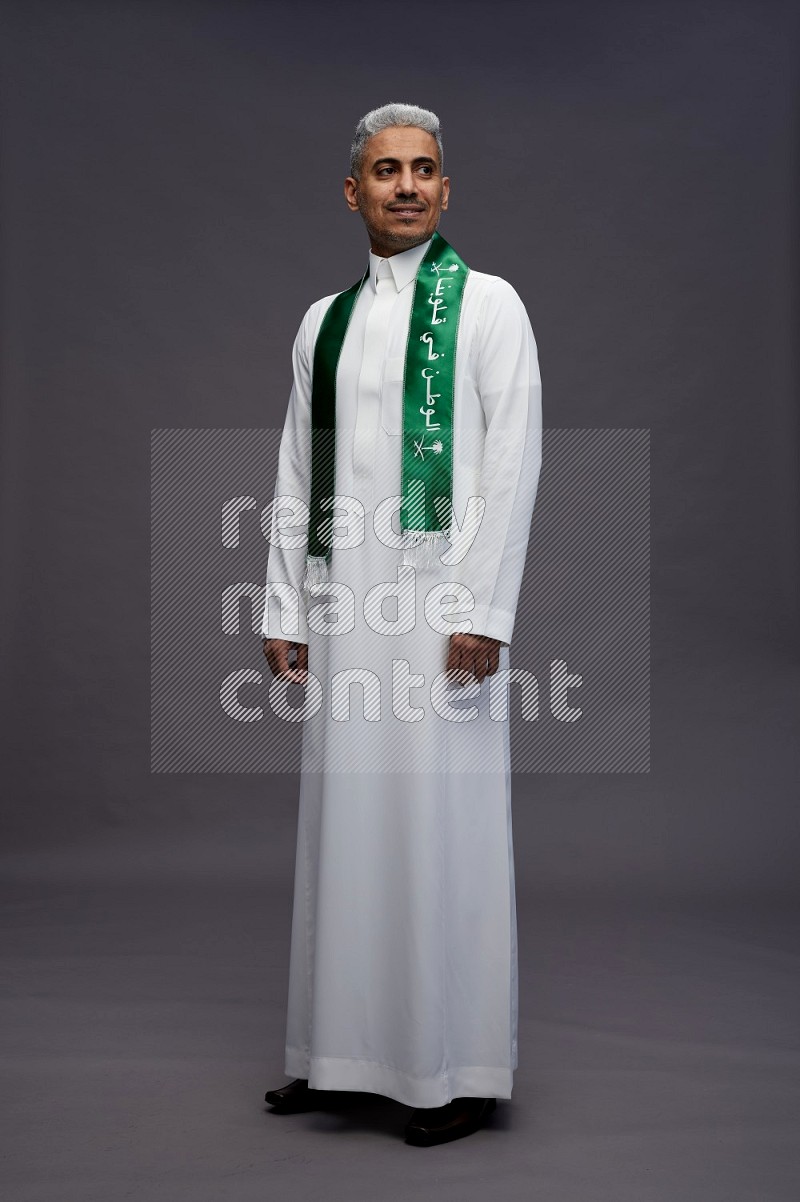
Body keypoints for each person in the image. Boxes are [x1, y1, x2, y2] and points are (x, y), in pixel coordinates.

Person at [260, 102, 542, 1146]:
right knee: (346, 826)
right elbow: (296, 469)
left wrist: (483, 611)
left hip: (438, 612)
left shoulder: (488, 307)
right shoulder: (319, 321)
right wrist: (283, 603)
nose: (408, 185)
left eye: (425, 169)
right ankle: (336, 1055)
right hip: (346, 607)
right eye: (387, 171)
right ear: (353, 191)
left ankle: (458, 1066)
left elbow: (512, 467)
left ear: (446, 188)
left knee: (444, 828)